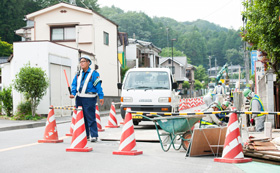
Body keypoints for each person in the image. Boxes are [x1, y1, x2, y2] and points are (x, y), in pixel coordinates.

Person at [70, 56, 104, 142]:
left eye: (84, 61)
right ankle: (85, 135)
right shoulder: (78, 74)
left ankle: (94, 135)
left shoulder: (94, 73)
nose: (81, 63)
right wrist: (73, 93)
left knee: (90, 117)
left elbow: (98, 86)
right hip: (79, 98)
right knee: (81, 117)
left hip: (89, 99)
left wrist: (101, 96)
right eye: (80, 61)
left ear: (88, 62)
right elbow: (74, 84)